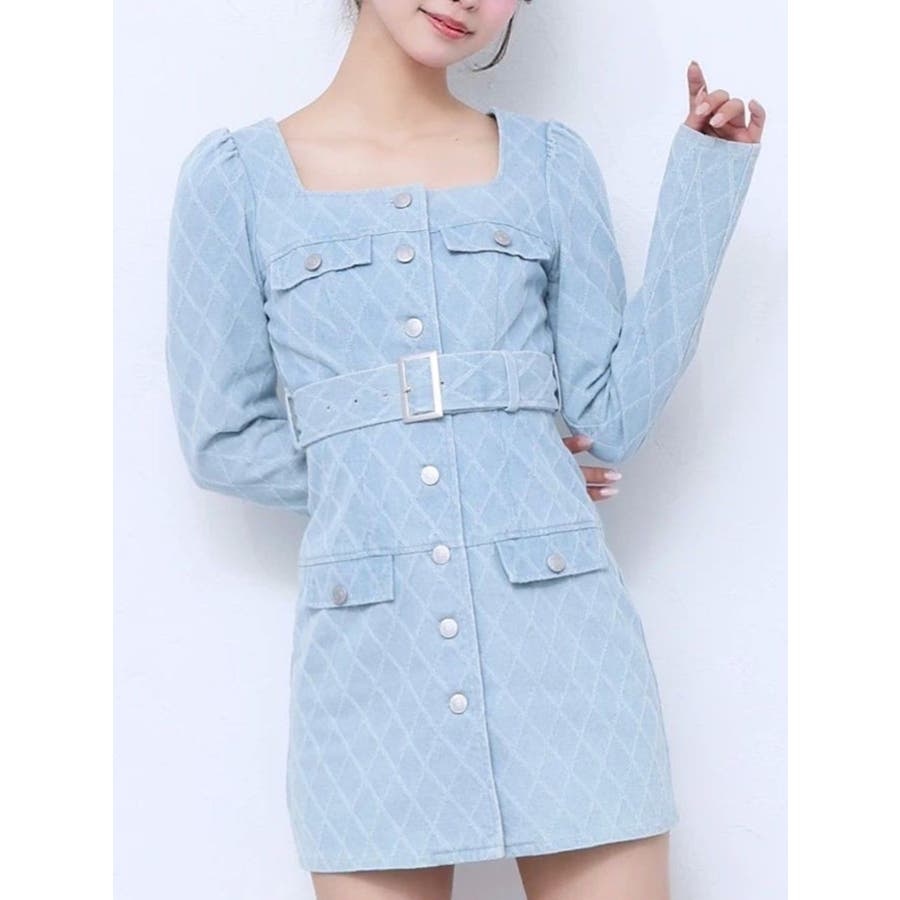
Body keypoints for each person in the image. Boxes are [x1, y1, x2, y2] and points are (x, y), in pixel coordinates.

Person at [165, 2, 764, 897]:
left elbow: (608, 417)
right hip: (368, 663)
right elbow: (224, 438)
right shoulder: (235, 181)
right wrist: (424, 474)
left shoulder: (551, 165)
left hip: (567, 650)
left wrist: (704, 191)